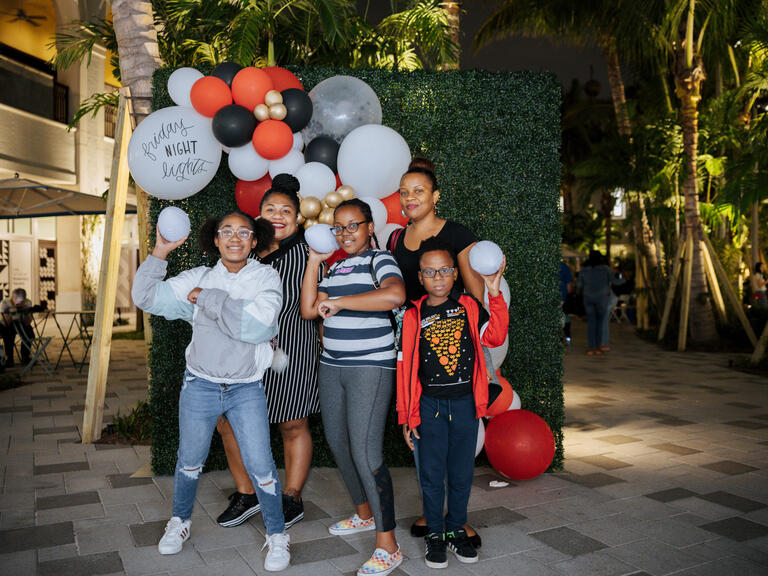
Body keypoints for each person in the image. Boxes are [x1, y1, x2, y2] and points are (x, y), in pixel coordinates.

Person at [131, 211, 290, 571]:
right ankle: (180, 523)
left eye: (244, 232)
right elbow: (146, 297)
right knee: (189, 460)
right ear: (215, 239)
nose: (235, 238)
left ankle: (277, 535)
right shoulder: (197, 277)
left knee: (261, 463)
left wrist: (208, 299)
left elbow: (257, 327)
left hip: (245, 388)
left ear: (254, 240)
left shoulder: (265, 277)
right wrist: (160, 251)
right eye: (227, 232)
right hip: (200, 384)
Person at [302, 198, 406, 576]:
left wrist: (342, 303)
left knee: (366, 451)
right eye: (339, 227)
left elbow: (395, 296)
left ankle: (388, 545)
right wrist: (314, 262)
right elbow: (310, 310)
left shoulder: (380, 260)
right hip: (332, 364)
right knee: (338, 442)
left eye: (353, 225)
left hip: (370, 366)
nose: (345, 233)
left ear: (369, 227)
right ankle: (364, 514)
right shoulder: (335, 266)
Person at [387, 157, 484, 546]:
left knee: (458, 442)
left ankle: (457, 519)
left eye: (419, 191)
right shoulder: (396, 239)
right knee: (423, 433)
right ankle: (434, 513)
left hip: (452, 347)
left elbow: (477, 297)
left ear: (435, 196)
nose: (410, 198)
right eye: (404, 192)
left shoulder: (457, 234)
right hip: (412, 342)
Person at [215, 175, 320, 530]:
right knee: (229, 419)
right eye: (270, 209)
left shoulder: (309, 249)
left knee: (292, 422)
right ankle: (246, 494)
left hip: (293, 344)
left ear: (298, 217)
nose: (278, 216)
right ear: (257, 214)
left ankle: (291, 496)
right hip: (245, 347)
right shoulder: (245, 249)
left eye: (286, 210)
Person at [397, 237, 508, 569]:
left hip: (464, 406)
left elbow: (496, 336)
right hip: (428, 407)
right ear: (420, 278)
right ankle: (435, 534)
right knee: (431, 475)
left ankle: (457, 529)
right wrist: (407, 416)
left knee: (460, 474)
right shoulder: (413, 317)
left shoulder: (470, 308)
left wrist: (494, 290)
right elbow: (404, 371)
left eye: (445, 270)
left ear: (455, 274)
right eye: (430, 272)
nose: (439, 277)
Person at [578, 250, 622, 356]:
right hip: (602, 298)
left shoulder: (584, 270)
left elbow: (579, 285)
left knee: (591, 323)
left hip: (588, 297)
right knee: (600, 322)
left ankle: (591, 348)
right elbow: (615, 281)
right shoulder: (606, 269)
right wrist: (625, 280)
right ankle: (598, 347)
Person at [0, 288, 36, 367]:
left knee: (29, 332)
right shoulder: (5, 302)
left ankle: (25, 357)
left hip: (21, 323)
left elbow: (28, 322)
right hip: (8, 324)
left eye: (20, 300)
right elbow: (5, 323)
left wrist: (25, 310)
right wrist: (14, 310)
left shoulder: (27, 302)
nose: (17, 301)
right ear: (12, 297)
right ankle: (9, 359)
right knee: (8, 334)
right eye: (15, 299)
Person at [559, 261, 574, 345]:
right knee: (564, 318)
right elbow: (569, 285)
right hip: (562, 296)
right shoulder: (563, 266)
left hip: (550, 297)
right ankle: (567, 339)